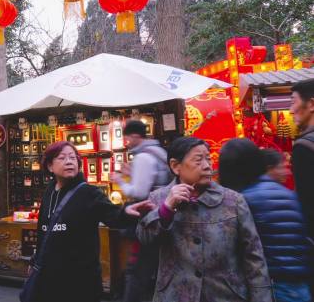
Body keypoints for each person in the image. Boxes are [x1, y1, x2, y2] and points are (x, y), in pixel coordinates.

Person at [137, 136, 273, 301]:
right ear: (175, 166)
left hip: (225, 295)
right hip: (175, 295)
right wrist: (167, 208)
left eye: (208, 159)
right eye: (198, 160)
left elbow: (253, 256)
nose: (207, 166)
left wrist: (262, 297)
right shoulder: (158, 199)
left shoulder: (233, 201)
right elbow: (145, 238)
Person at [21, 141, 153, 302]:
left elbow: (113, 216)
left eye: (72, 157)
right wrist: (35, 261)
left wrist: (126, 212)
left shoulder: (89, 193)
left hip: (80, 280)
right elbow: (43, 231)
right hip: (49, 278)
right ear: (50, 166)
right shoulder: (49, 192)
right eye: (62, 158)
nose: (69, 161)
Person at [219, 138, 311, 302]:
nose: (287, 171)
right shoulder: (287, 194)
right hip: (297, 284)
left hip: (271, 286)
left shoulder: (245, 199)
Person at [111, 120, 172, 302]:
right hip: (162, 215)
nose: (126, 141)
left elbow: (138, 192)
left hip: (148, 218)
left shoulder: (143, 157)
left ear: (136, 136)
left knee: (138, 268)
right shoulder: (158, 151)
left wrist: (119, 180)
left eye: (127, 137)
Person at [289, 78, 314, 236]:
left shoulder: (304, 147)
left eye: (293, 102)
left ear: (311, 104)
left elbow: (307, 205)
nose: (291, 110)